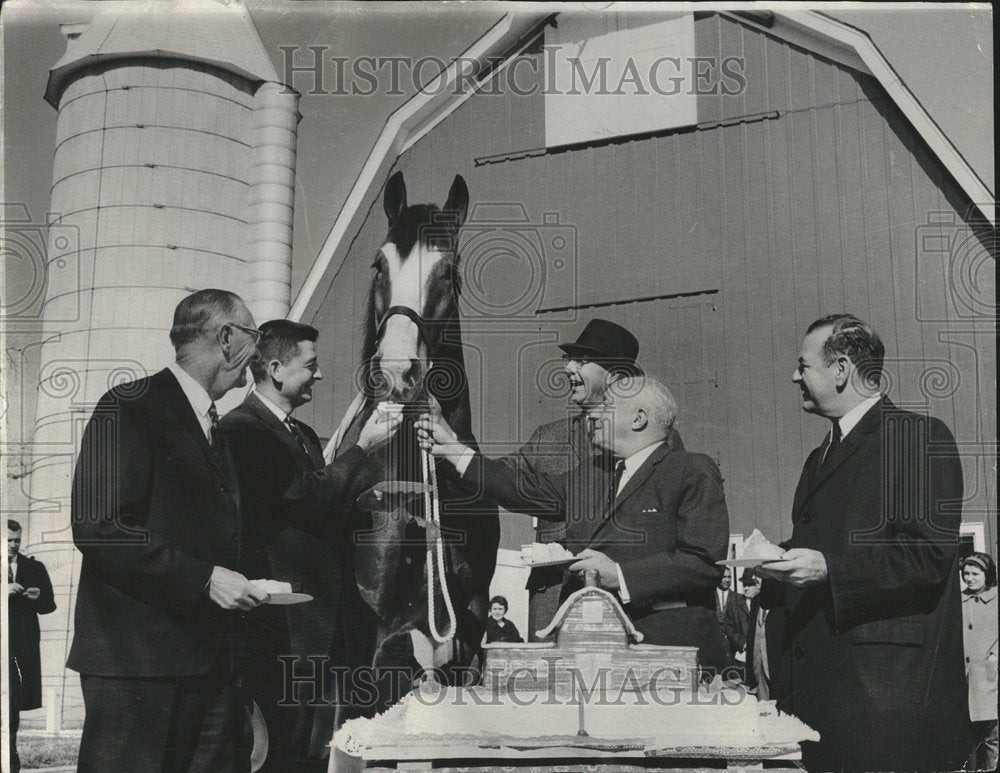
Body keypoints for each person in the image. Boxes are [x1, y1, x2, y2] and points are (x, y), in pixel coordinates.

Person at [757, 313, 970, 772]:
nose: (795, 376)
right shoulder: (821, 455)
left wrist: (828, 568)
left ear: (841, 370)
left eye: (803, 365)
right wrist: (776, 563)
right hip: (821, 697)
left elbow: (927, 557)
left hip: (884, 702)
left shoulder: (914, 437)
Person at [69, 289, 270, 773]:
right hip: (138, 670)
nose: (258, 352)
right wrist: (205, 579)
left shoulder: (216, 426)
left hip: (211, 669)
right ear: (225, 338)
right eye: (253, 337)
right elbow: (100, 527)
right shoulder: (129, 405)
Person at [417, 376, 730, 671]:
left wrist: (620, 576)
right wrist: (453, 447)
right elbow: (517, 489)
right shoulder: (589, 476)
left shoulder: (690, 470)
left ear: (639, 419)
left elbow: (704, 562)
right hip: (585, 654)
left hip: (668, 653)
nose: (591, 416)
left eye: (605, 407)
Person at [220, 319, 402, 770]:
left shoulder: (300, 435)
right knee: (279, 751)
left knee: (307, 752)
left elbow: (326, 508)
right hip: (280, 630)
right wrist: (361, 449)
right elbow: (305, 497)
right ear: (277, 369)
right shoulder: (242, 430)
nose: (319, 375)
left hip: (315, 629)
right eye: (311, 365)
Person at [491, 319, 683, 637]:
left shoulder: (659, 439)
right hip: (555, 608)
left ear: (617, 377)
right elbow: (497, 477)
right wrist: (443, 456)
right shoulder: (548, 438)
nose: (567, 368)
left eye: (581, 361)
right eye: (569, 359)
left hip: (630, 614)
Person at [7, 519, 56, 773]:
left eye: (17, 540)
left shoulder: (34, 567)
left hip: (22, 648)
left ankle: (10, 764)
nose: (13, 545)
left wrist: (39, 598)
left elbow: (49, 605)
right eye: (8, 540)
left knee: (13, 708)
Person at [960, 552, 997, 771]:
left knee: (992, 735)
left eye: (975, 573)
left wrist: (994, 656)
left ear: (988, 574)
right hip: (966, 680)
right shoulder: (959, 600)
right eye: (966, 573)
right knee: (968, 738)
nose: (970, 578)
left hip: (990, 677)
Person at [723, 568, 759, 682]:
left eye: (750, 585)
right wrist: (742, 642)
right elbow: (728, 626)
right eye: (744, 585)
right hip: (742, 655)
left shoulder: (763, 604)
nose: (746, 588)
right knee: (743, 683)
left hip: (760, 654)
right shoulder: (734, 604)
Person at [715, 571, 734, 660]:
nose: (727, 580)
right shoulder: (710, 596)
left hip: (732, 644)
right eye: (724, 577)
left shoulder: (738, 597)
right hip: (714, 640)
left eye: (729, 577)